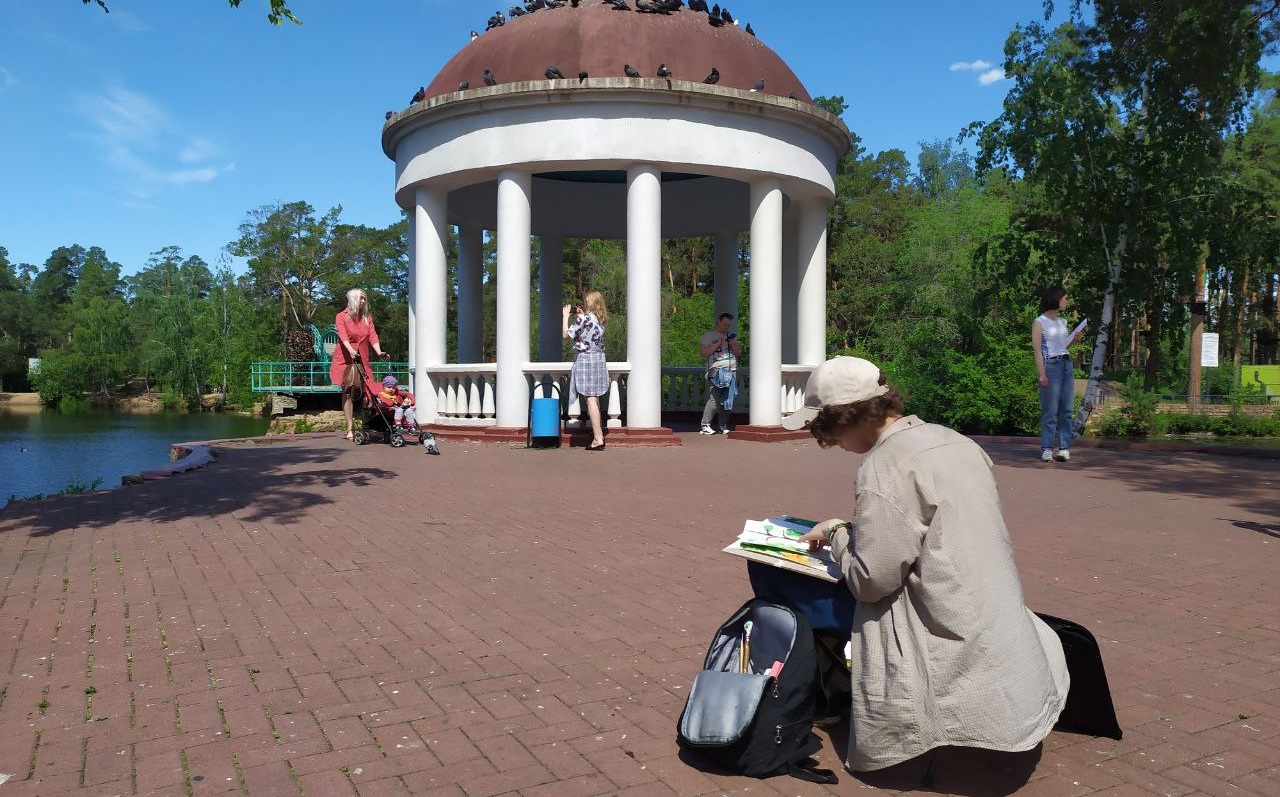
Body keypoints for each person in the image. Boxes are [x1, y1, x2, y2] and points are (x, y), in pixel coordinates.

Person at [781, 356, 1069, 773]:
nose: (829, 441)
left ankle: (822, 695)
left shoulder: (884, 466)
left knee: (784, 584)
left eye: (827, 428)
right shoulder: (951, 439)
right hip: (991, 606)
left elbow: (871, 582)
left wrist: (836, 535)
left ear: (851, 416)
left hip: (946, 618)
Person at [329, 288, 388, 441]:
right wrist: (350, 350)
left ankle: (366, 426)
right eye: (361, 298)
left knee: (369, 393)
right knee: (348, 392)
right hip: (345, 359)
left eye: (364, 299)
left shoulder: (367, 317)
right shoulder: (341, 317)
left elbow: (373, 337)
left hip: (362, 359)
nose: (363, 301)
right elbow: (343, 336)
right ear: (353, 299)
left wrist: (379, 352)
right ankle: (349, 428)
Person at [1033, 286, 1082, 462]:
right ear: (1056, 298)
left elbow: (1062, 346)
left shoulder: (1062, 322)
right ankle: (1046, 449)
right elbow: (1037, 350)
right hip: (1051, 366)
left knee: (1067, 409)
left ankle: (1064, 448)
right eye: (1065, 298)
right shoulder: (1040, 322)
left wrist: (1073, 340)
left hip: (1067, 364)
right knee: (1050, 410)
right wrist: (1042, 373)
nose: (1066, 301)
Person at [562, 290, 608, 451]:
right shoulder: (602, 320)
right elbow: (589, 329)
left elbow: (565, 335)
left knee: (590, 399)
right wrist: (582, 316)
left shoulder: (584, 318)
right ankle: (598, 434)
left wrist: (565, 316)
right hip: (599, 359)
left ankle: (598, 438)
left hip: (586, 360)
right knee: (593, 398)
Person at [699, 312, 742, 435]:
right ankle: (705, 425)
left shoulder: (730, 337)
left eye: (728, 325)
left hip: (732, 370)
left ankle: (722, 425)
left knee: (728, 400)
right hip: (716, 371)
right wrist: (717, 344)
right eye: (724, 325)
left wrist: (732, 344)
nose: (726, 328)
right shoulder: (709, 336)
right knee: (715, 399)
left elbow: (738, 353)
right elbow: (703, 353)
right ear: (718, 321)